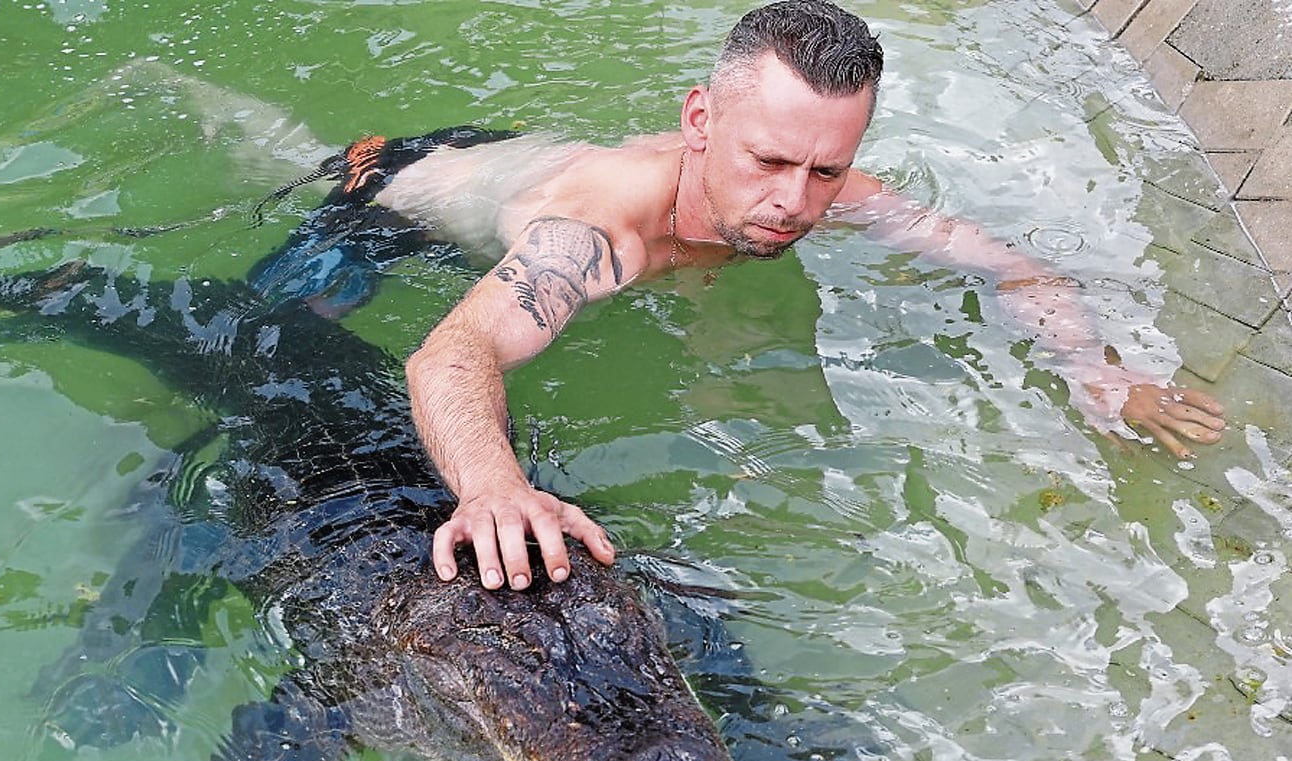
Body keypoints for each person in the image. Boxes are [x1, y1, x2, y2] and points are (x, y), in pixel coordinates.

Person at [328, 0, 1225, 592]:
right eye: (767, 161)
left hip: (508, 164)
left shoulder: (819, 190)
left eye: (824, 169)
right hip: (388, 197)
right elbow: (452, 350)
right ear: (699, 120)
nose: (795, 203)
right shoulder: (599, 234)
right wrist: (491, 487)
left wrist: (1091, 370)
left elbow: (1019, 268)